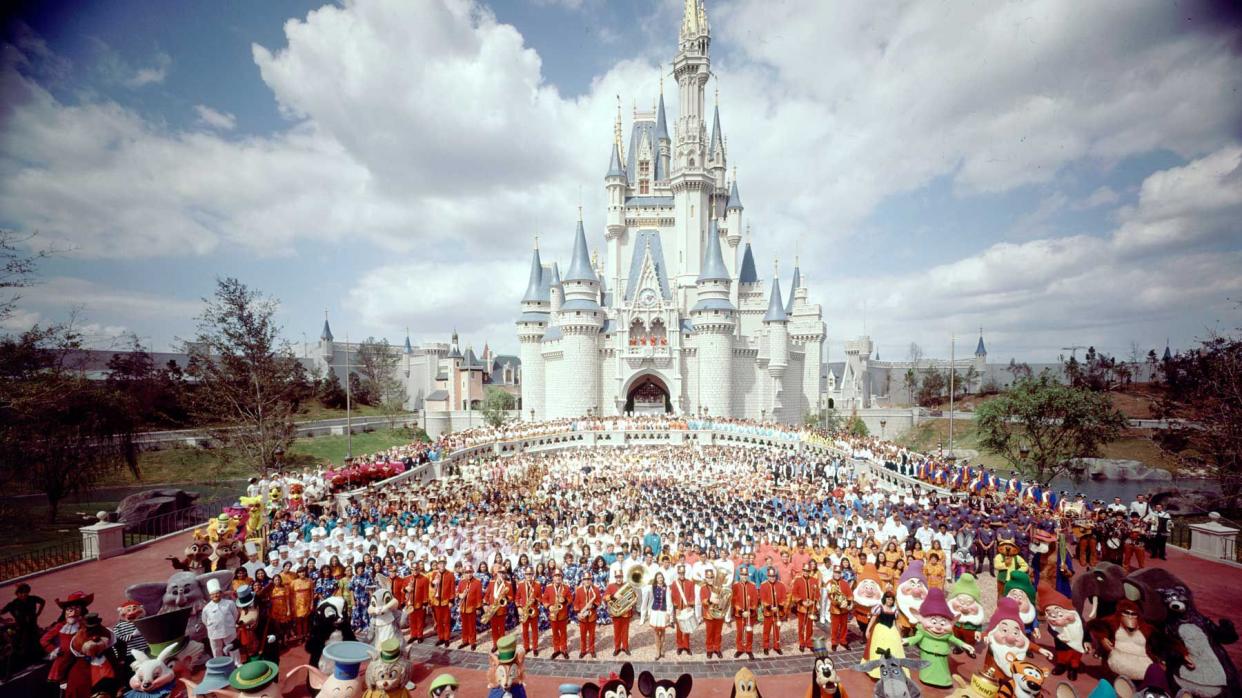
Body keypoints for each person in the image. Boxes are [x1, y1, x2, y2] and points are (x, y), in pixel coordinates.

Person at [864, 590, 907, 679]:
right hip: (880, 631)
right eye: (888, 599)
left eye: (891, 600)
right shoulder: (879, 608)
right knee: (879, 649)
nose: (889, 601)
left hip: (891, 630)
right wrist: (867, 630)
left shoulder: (894, 610)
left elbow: (896, 623)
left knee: (894, 649)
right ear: (885, 599)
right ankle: (877, 671)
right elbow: (873, 619)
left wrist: (899, 635)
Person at [2, 583, 45, 667]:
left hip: (32, 626)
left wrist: (39, 612)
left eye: (26, 592)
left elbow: (43, 601)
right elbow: (2, 612)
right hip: (22, 628)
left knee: (36, 642)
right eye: (21, 593)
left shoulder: (32, 599)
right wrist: (4, 621)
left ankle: (37, 659)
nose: (24, 594)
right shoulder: (13, 604)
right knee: (23, 645)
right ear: (17, 594)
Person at [202, 578, 240, 663]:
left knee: (233, 647)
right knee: (216, 650)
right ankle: (219, 665)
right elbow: (204, 620)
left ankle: (237, 663)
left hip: (229, 629)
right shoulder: (206, 608)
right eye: (213, 594)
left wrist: (229, 624)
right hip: (214, 633)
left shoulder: (229, 603)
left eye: (217, 593)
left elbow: (235, 614)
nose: (215, 596)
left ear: (220, 593)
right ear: (210, 596)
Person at [791, 561, 820, 652]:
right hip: (802, 607)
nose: (806, 572)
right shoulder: (798, 580)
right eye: (804, 570)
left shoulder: (814, 580)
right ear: (802, 571)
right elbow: (794, 593)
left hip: (811, 607)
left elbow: (818, 593)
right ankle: (802, 642)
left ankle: (809, 642)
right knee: (801, 626)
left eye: (808, 570)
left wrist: (813, 601)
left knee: (810, 626)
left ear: (810, 571)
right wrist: (801, 602)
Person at [542, 569, 572, 660]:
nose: (558, 577)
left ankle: (564, 649)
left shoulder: (566, 587)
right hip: (553, 614)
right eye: (556, 576)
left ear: (561, 577)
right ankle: (556, 649)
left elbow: (570, 598)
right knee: (555, 633)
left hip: (562, 614)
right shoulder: (548, 587)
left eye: (559, 576)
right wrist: (548, 607)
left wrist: (565, 600)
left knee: (563, 633)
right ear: (553, 578)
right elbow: (544, 599)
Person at [603, 568, 633, 657]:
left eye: (620, 577)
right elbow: (604, 597)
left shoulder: (627, 585)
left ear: (622, 577)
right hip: (615, 612)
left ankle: (625, 647)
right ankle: (617, 648)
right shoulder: (610, 586)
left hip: (625, 612)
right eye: (617, 577)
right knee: (616, 631)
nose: (619, 579)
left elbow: (631, 597)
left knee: (625, 631)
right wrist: (613, 596)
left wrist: (630, 604)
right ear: (615, 578)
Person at [731, 565, 759, 659]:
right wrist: (740, 610)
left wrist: (750, 610)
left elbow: (755, 599)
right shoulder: (735, 586)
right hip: (740, 613)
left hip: (750, 614)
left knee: (749, 632)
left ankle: (749, 649)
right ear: (739, 575)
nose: (744, 576)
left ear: (748, 575)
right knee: (739, 632)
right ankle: (740, 649)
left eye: (746, 574)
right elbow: (733, 600)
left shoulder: (752, 585)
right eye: (742, 574)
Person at [670, 564, 697, 656]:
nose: (682, 574)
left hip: (686, 608)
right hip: (678, 609)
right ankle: (680, 646)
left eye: (683, 573)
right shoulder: (674, 583)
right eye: (680, 573)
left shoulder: (690, 583)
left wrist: (690, 606)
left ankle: (686, 646)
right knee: (679, 629)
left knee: (687, 627)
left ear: (685, 573)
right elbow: (673, 597)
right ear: (678, 573)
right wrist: (676, 608)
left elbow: (692, 595)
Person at [515, 567, 543, 656]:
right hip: (524, 610)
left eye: (530, 574)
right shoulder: (520, 584)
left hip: (533, 611)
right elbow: (517, 598)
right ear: (524, 575)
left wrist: (536, 600)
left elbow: (540, 598)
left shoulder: (537, 585)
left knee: (535, 630)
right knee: (525, 630)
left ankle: (535, 647)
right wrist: (519, 607)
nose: (528, 576)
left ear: (533, 575)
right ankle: (526, 647)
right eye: (527, 574)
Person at [573, 573, 600, 658]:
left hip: (592, 616)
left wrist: (592, 605)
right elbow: (576, 603)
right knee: (583, 635)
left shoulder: (596, 589)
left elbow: (599, 600)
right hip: (582, 617)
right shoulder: (579, 590)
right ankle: (583, 650)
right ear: (583, 580)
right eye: (585, 579)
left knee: (592, 635)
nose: (587, 581)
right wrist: (578, 613)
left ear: (591, 580)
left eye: (589, 579)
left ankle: (592, 650)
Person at [646, 570, 671, 661]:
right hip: (655, 612)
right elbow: (650, 600)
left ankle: (662, 649)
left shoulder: (666, 588)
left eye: (661, 577)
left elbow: (668, 600)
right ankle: (657, 650)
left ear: (663, 578)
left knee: (663, 632)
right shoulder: (652, 587)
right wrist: (649, 613)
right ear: (656, 579)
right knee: (656, 632)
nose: (660, 579)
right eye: (658, 578)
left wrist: (668, 613)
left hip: (663, 612)